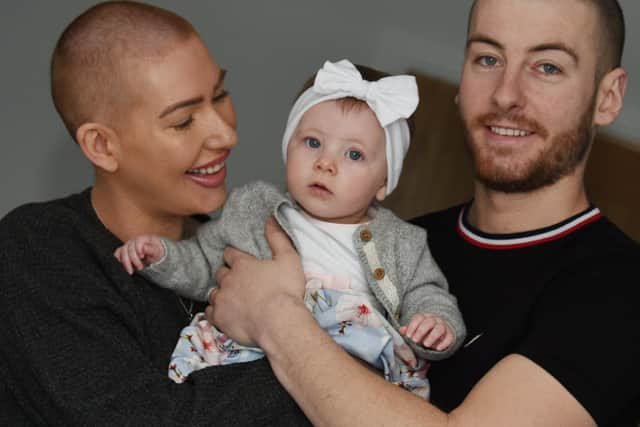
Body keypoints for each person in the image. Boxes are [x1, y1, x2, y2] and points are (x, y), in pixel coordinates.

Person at [206, 0, 640, 426]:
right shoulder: (400, 247)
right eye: (488, 58)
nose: (506, 94)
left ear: (608, 97)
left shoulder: (620, 286)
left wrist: (275, 318)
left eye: (547, 67)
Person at [0, 1, 311, 425]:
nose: (226, 134)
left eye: (219, 95)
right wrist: (314, 357)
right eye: (184, 121)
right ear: (102, 146)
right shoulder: (38, 248)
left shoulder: (242, 244)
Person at [114, 59, 466, 395]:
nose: (325, 163)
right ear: (288, 146)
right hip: (248, 359)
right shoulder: (253, 207)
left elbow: (427, 292)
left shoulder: (403, 241)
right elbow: (205, 264)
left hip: (348, 375)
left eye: (354, 155)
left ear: (383, 183)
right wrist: (161, 255)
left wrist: (435, 322)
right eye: (312, 143)